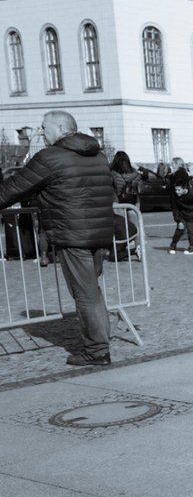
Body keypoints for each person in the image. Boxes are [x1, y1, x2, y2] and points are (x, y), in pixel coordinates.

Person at [0, 110, 114, 366]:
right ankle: (102, 338)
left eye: (44, 127)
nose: (41, 132)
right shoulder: (98, 154)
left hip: (72, 233)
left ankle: (97, 351)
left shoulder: (51, 157)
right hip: (100, 231)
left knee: (85, 294)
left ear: (62, 127)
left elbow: (14, 188)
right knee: (92, 291)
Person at [168, 174, 193, 255]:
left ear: (184, 189)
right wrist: (178, 220)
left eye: (178, 190)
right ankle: (173, 244)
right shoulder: (174, 195)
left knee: (191, 231)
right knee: (180, 228)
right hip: (181, 214)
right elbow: (174, 208)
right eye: (175, 190)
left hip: (190, 214)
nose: (176, 192)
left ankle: (192, 247)